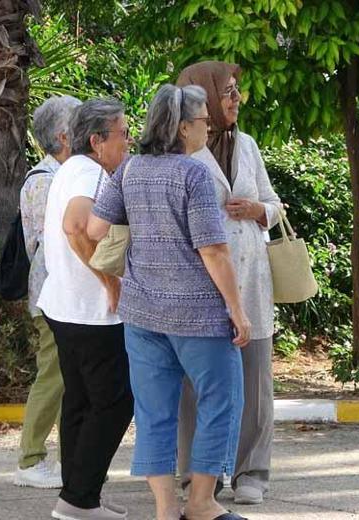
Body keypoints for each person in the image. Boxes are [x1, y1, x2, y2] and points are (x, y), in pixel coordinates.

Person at [88, 84, 251, 520]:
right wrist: (237, 309)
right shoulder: (193, 174)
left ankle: (165, 510)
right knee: (221, 401)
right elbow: (213, 250)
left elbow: (95, 228)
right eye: (203, 120)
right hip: (198, 313)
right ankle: (200, 504)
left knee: (154, 411)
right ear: (182, 127)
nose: (209, 126)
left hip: (142, 314)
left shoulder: (130, 170)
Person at [175, 61, 282, 506]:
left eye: (237, 92)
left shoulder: (249, 146)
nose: (236, 100)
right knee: (195, 385)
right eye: (228, 93)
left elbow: (275, 204)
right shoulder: (179, 151)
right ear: (203, 98)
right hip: (202, 280)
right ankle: (196, 477)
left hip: (250, 277)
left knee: (255, 383)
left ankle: (252, 471)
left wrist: (259, 210)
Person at [37, 98, 134, 520]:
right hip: (91, 312)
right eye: (123, 134)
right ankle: (78, 500)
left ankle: (77, 496)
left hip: (67, 307)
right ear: (97, 141)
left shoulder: (71, 169)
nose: (129, 142)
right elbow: (76, 225)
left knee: (79, 401)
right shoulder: (91, 173)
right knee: (113, 403)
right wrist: (110, 279)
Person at [13, 95, 82, 489]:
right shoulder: (45, 179)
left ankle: (58, 457)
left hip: (64, 294)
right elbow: (46, 242)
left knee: (67, 376)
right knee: (52, 375)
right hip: (52, 295)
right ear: (63, 136)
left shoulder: (68, 174)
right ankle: (30, 458)